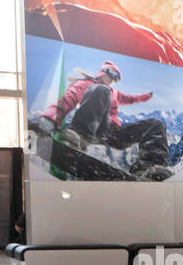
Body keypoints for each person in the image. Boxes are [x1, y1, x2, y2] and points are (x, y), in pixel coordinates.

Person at [29, 61, 172, 181]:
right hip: (93, 127)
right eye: (112, 74)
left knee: (155, 124)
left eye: (117, 78)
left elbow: (131, 99)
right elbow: (68, 99)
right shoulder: (86, 84)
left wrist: (147, 96)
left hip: (114, 132)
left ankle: (149, 167)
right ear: (103, 71)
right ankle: (80, 137)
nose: (113, 80)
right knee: (101, 90)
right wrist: (48, 120)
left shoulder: (114, 92)